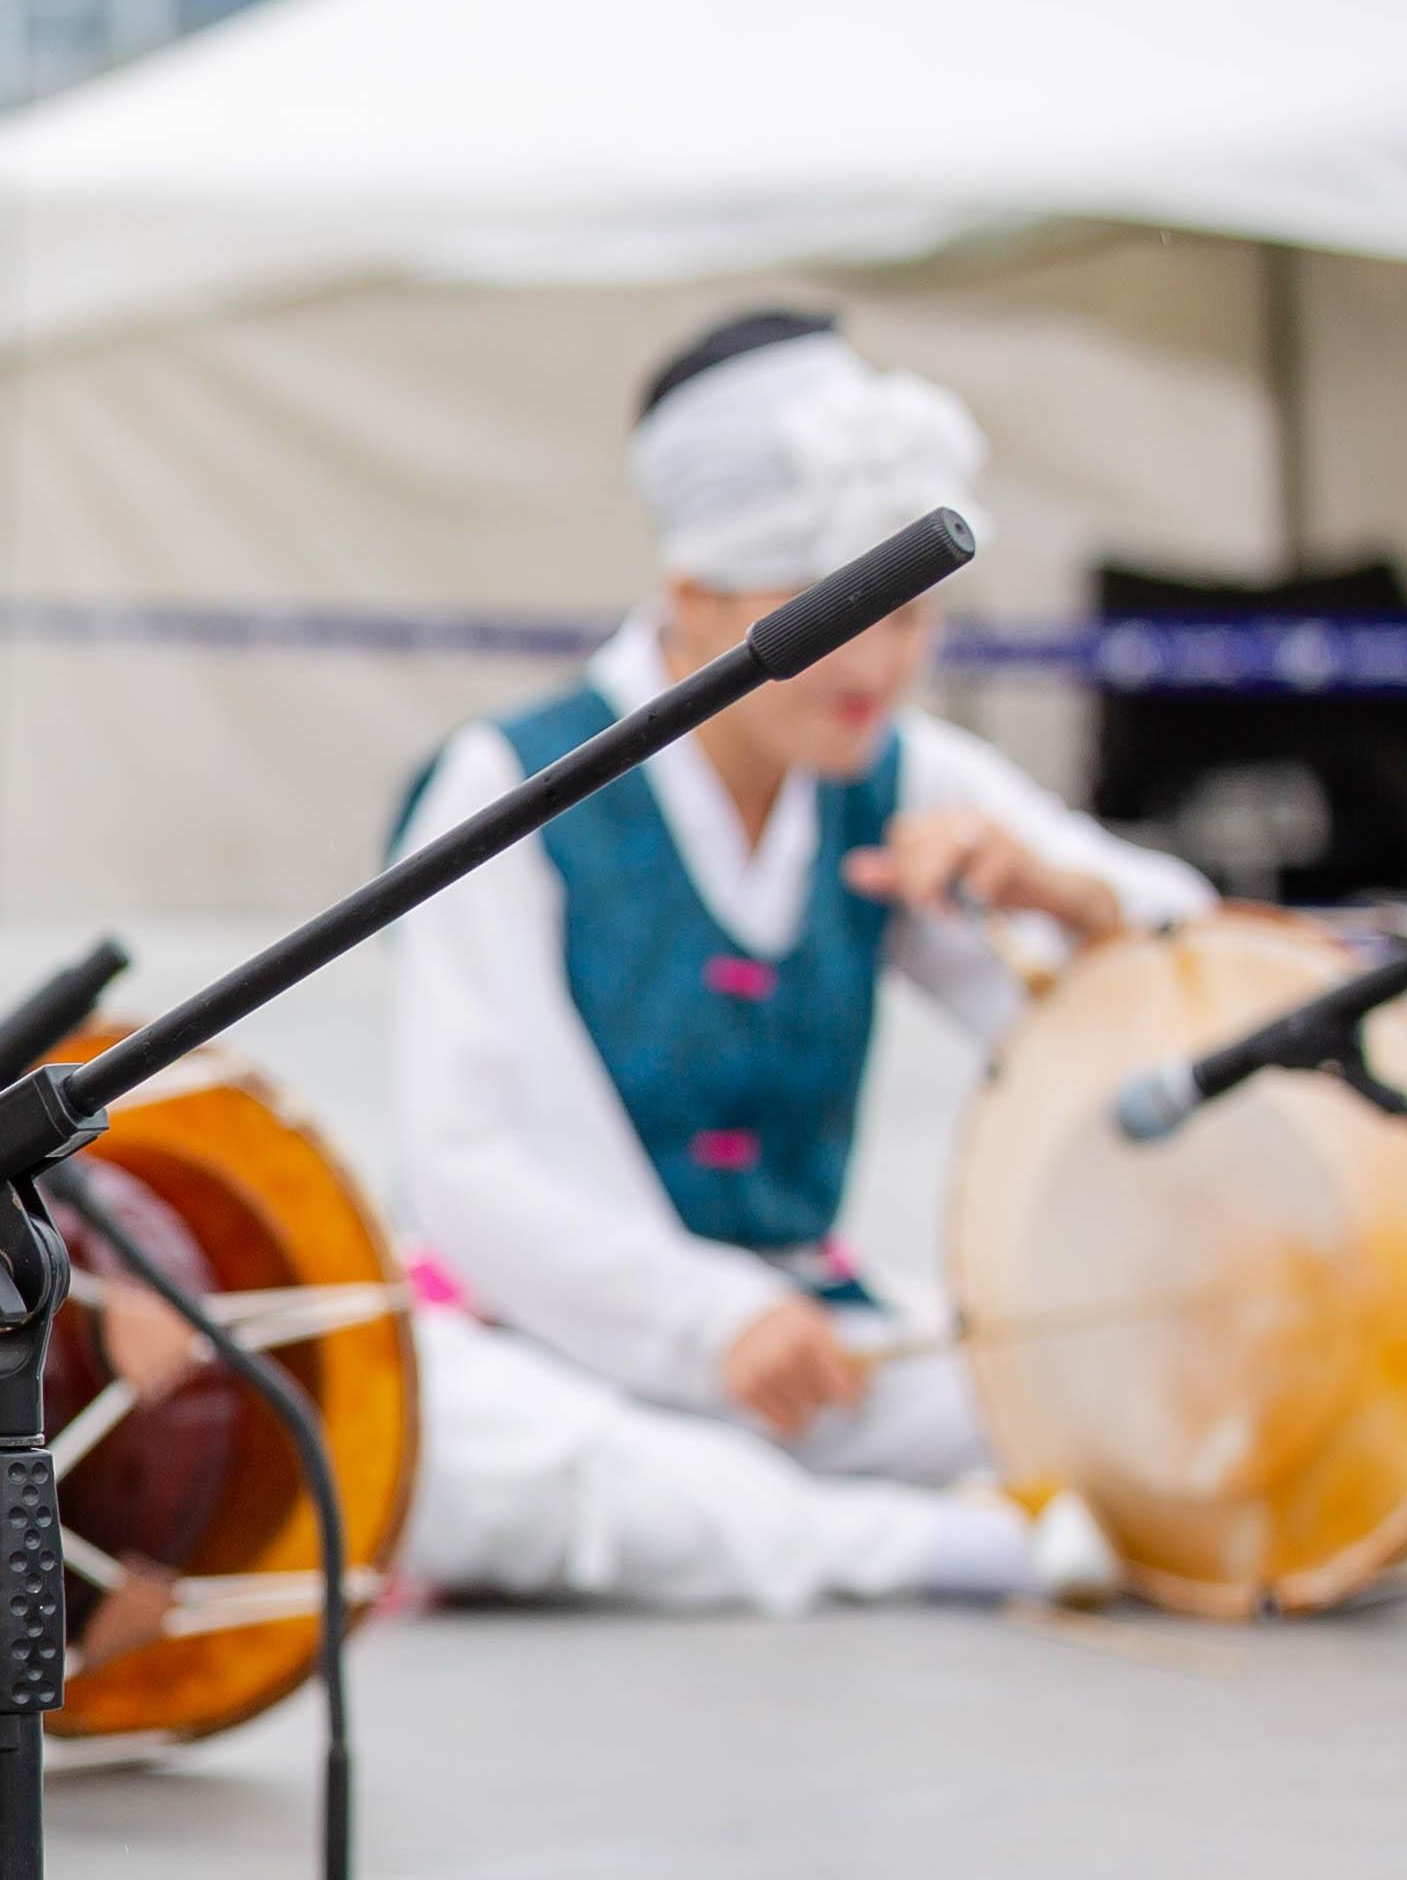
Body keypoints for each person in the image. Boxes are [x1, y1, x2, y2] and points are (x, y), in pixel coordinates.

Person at [389, 312, 1210, 1610]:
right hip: (554, 1350)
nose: (881, 665)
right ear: (694, 593)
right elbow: (474, 1162)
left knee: (1147, 1365)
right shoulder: (507, 784)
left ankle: (799, 1521)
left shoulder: (904, 775)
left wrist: (1057, 896)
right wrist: (710, 1325)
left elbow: (1195, 994)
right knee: (435, 1437)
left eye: (913, 621)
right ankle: (928, 1546)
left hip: (820, 1359)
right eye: (838, 617)